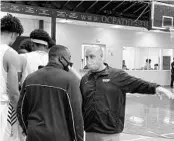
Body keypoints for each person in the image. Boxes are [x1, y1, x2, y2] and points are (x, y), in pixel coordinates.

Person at [80, 47, 174, 141]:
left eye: (92, 57)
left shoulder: (116, 76)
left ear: (101, 57)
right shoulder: (85, 79)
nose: (88, 61)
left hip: (109, 132)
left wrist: (155, 87)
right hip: (90, 131)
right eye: (86, 57)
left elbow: (137, 83)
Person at [17, 45, 84, 141]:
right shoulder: (70, 80)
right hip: (60, 136)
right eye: (69, 58)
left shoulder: (30, 78)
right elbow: (75, 115)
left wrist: (27, 128)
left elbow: (21, 109)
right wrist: (79, 138)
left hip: (34, 135)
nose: (69, 62)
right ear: (61, 58)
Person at [0, 14, 24, 141]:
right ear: (14, 34)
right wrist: (21, 118)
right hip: (4, 109)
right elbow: (14, 93)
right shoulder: (10, 54)